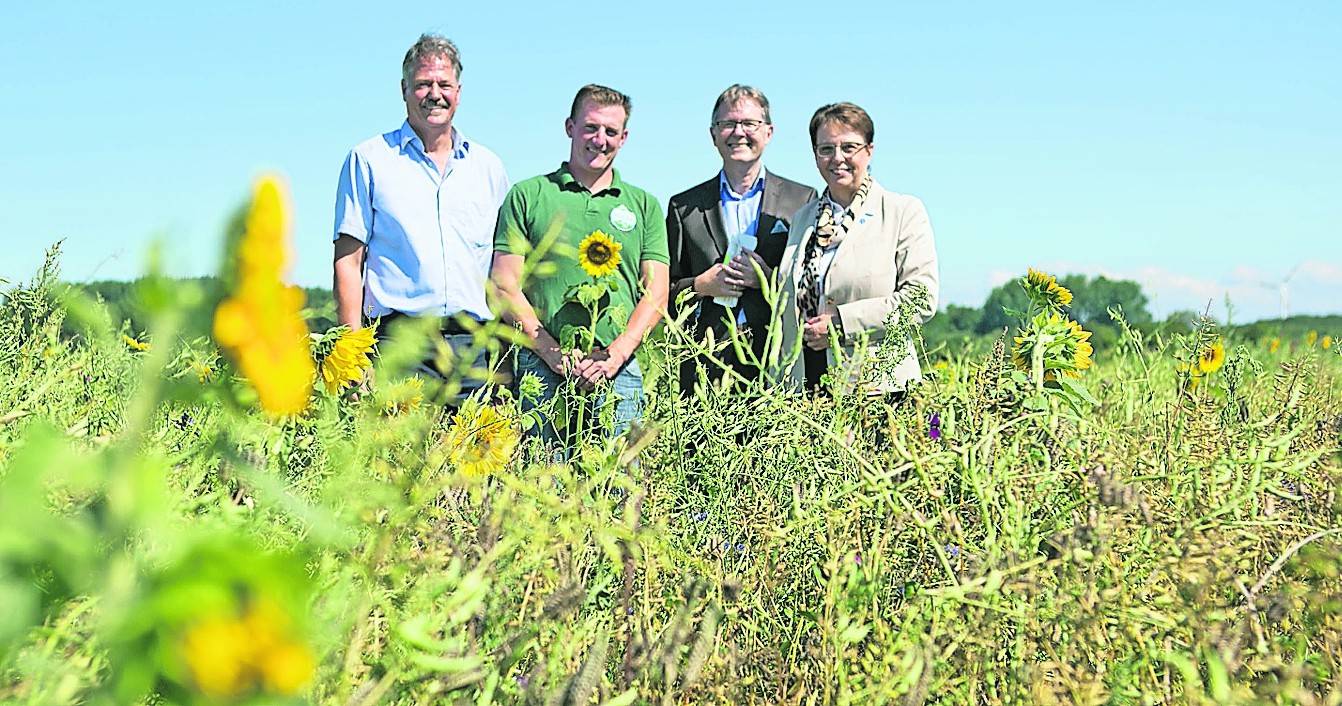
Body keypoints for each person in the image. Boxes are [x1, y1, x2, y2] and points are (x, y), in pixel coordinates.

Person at [332, 34, 510, 396]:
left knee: (472, 451)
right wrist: (352, 355)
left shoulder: (488, 167)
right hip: (398, 342)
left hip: (474, 347)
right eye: (422, 84)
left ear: (458, 92)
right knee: (397, 451)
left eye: (443, 84)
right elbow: (348, 263)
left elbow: (502, 265)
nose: (434, 94)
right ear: (403, 89)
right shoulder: (369, 159)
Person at [490, 85, 669, 445]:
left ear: (624, 137)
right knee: (543, 486)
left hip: (618, 371)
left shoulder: (644, 205)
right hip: (541, 367)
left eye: (610, 131)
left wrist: (615, 355)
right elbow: (502, 284)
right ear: (570, 127)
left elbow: (657, 292)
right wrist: (552, 352)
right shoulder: (529, 195)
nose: (599, 139)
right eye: (590, 127)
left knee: (619, 484)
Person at [775, 102, 939, 396]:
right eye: (826, 149)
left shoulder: (902, 211)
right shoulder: (803, 219)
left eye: (849, 147)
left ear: (869, 150)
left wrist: (842, 323)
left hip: (877, 389)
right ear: (815, 156)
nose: (838, 158)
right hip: (804, 389)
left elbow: (921, 298)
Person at [666, 85, 816, 392]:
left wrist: (767, 278)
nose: (739, 132)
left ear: (769, 132)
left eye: (750, 124)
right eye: (728, 124)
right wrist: (700, 285)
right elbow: (661, 292)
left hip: (778, 362)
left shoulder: (802, 200)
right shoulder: (684, 207)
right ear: (713, 134)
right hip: (705, 366)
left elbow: (812, 287)